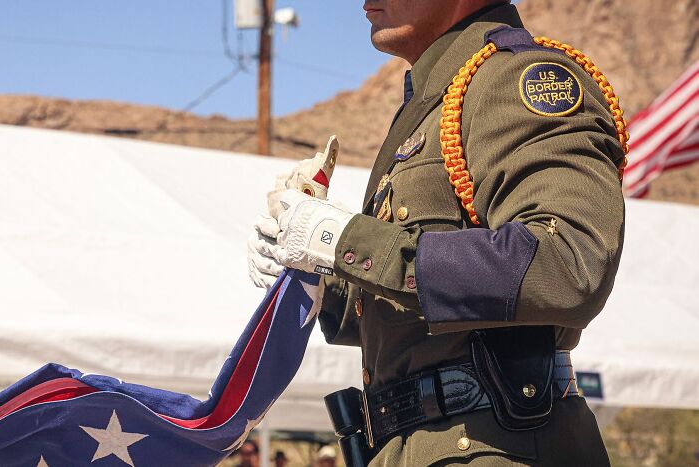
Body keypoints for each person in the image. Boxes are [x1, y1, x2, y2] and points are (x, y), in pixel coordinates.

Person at [249, 0, 627, 465]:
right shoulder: (437, 99)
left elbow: (568, 265)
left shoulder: (515, 77)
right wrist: (324, 279)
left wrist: (345, 240)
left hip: (495, 443)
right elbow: (416, 315)